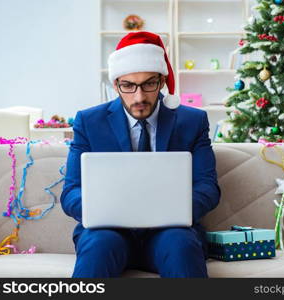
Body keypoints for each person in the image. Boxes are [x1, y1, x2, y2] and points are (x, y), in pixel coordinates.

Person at [60, 31, 221, 278]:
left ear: (162, 81)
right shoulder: (89, 121)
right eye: (128, 85)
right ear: (115, 84)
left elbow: (207, 187)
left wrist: (172, 210)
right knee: (99, 245)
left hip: (170, 231)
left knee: (181, 244)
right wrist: (102, 210)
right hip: (108, 232)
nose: (139, 97)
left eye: (149, 84)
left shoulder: (193, 121)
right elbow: (71, 191)